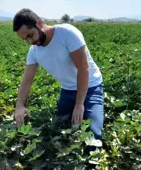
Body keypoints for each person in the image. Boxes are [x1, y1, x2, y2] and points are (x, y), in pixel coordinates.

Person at [12, 8, 104, 142]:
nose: (30, 41)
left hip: (91, 87)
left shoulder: (67, 33)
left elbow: (84, 68)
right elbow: (27, 81)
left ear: (38, 23)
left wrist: (79, 104)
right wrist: (19, 105)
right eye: (25, 39)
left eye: (30, 35)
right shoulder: (34, 52)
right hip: (67, 90)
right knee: (60, 130)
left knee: (93, 135)